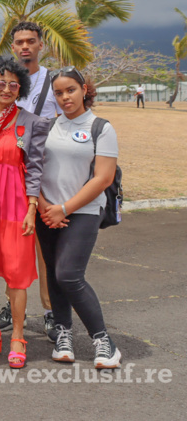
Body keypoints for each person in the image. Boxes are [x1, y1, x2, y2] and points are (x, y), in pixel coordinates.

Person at [38, 66, 122, 369]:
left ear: (84, 90)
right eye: (58, 92)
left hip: (83, 211)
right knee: (53, 274)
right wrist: (45, 206)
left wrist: (65, 208)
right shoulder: (46, 126)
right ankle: (64, 334)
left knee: (69, 275)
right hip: (46, 212)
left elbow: (102, 178)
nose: (64, 97)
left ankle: (104, 342)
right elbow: (32, 171)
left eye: (70, 90)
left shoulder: (101, 127)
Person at [0, 56, 48, 369]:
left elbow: (35, 169)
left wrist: (31, 208)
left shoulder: (31, 121)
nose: (6, 88)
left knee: (16, 273)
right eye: (0, 83)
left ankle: (17, 336)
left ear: (20, 88)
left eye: (13, 84)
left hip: (15, 203)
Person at [0, 21, 61, 337]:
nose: (25, 47)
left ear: (40, 45)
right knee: (9, 248)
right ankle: (10, 306)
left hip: (45, 177)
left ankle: (50, 310)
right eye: (19, 42)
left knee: (46, 250)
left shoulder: (54, 81)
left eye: (31, 41)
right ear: (13, 47)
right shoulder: (7, 82)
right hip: (10, 182)